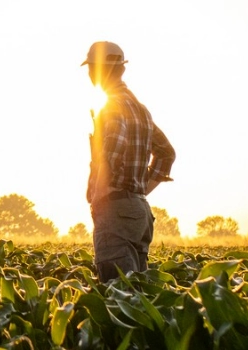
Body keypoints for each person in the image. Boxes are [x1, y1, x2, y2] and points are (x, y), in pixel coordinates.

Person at [83, 41, 176, 283]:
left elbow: (113, 148)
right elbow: (167, 153)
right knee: (138, 292)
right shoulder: (140, 109)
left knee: (117, 292)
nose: (90, 74)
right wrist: (140, 190)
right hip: (139, 211)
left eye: (92, 68)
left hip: (115, 209)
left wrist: (100, 195)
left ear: (103, 70)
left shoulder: (112, 105)